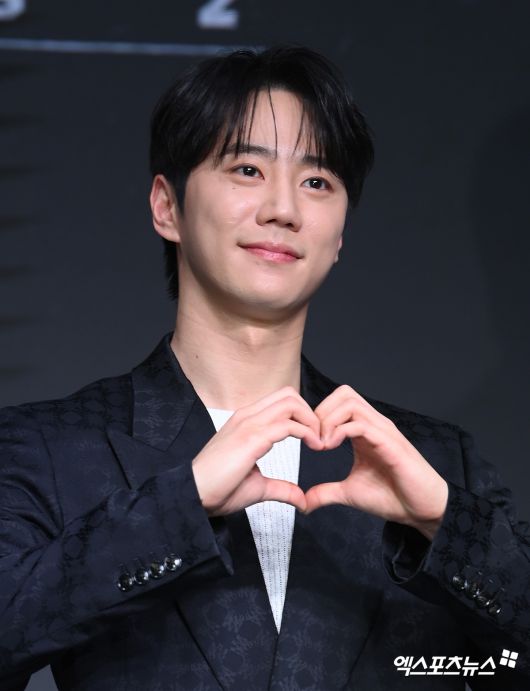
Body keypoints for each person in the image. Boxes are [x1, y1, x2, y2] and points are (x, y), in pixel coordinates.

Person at [0, 46, 528, 691]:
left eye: (317, 182)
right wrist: (176, 508)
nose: (284, 209)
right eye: (247, 169)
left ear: (339, 234)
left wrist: (446, 525)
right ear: (167, 207)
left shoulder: (439, 464)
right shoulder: (49, 448)